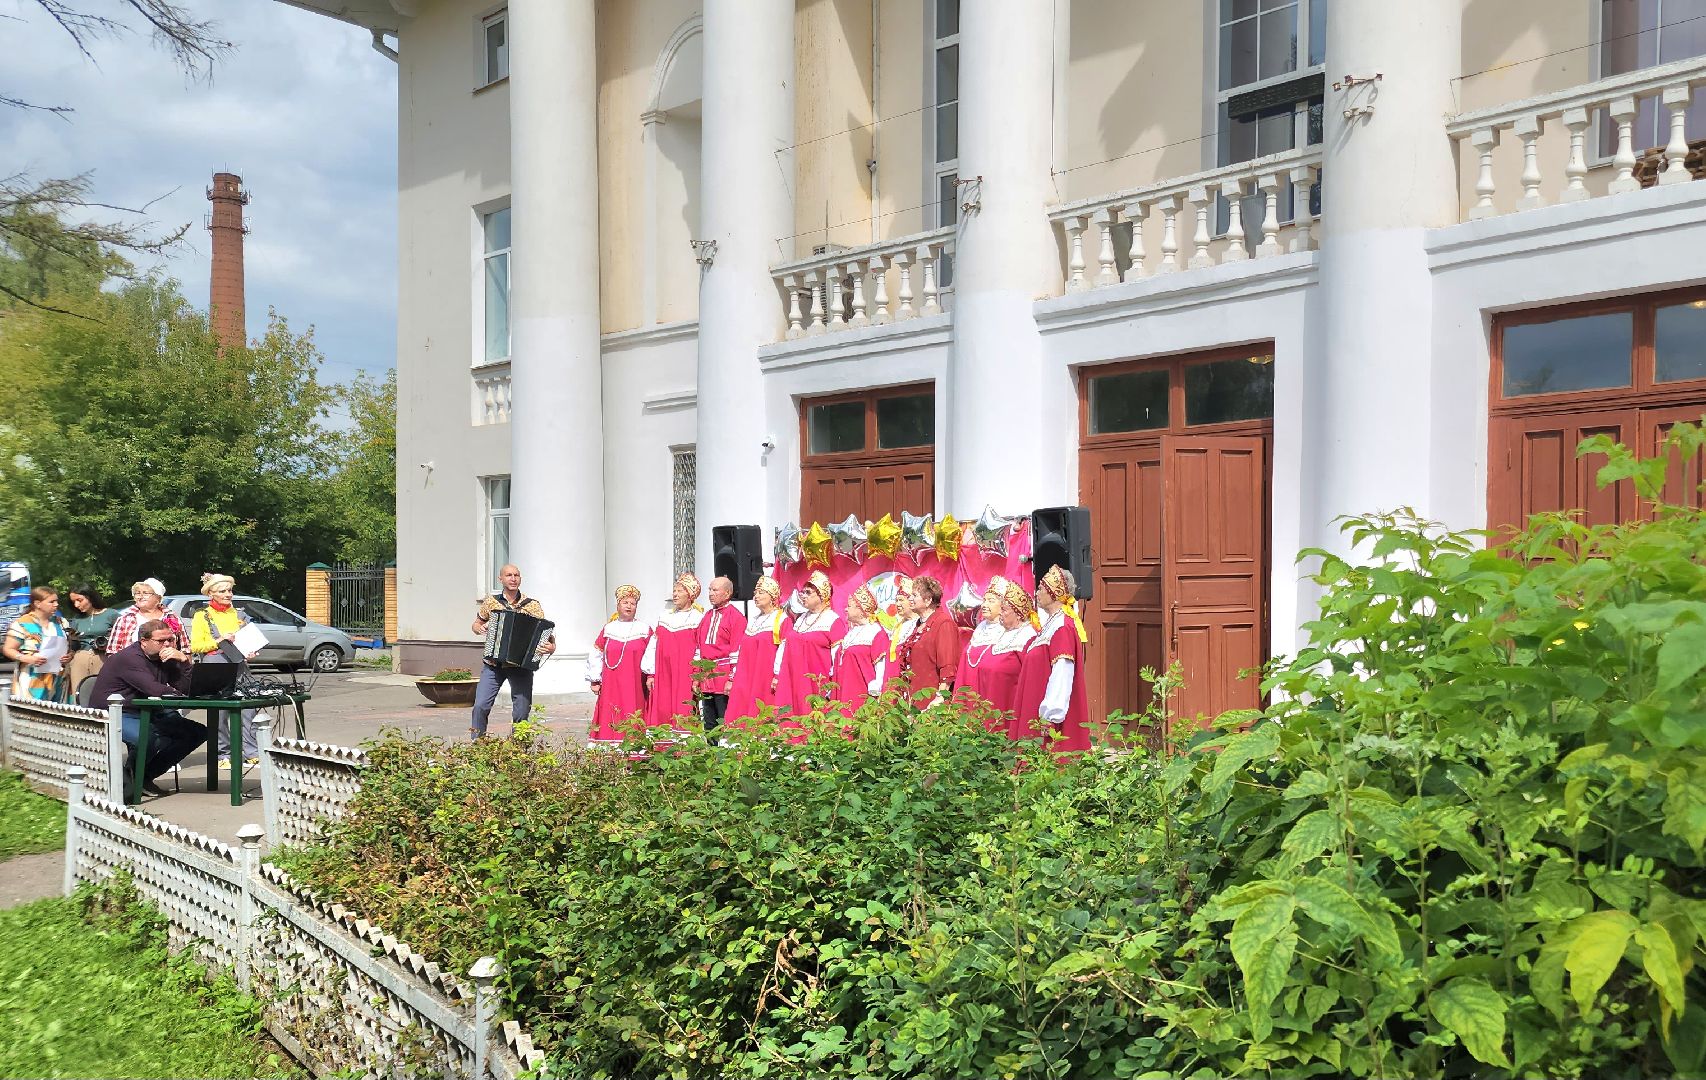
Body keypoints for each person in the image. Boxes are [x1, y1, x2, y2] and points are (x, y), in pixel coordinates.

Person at [90, 619, 207, 799]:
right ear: (144, 642)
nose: (167, 644)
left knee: (196, 732)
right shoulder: (129, 658)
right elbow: (154, 689)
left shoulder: (167, 658)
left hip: (147, 710)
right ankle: (127, 783)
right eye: (161, 641)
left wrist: (184, 661)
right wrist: (176, 693)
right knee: (147, 737)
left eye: (171, 639)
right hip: (115, 712)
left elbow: (187, 688)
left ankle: (143, 777)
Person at [1009, 566, 1091, 754]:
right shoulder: (1051, 624)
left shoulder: (1062, 627)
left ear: (1054, 592)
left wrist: (1051, 716)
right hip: (1034, 707)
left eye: (1041, 588)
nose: (1036, 593)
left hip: (1046, 719)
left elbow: (1062, 672)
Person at [469, 563, 557, 739]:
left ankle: (518, 746)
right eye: (509, 575)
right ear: (500, 579)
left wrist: (551, 647)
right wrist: (479, 628)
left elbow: (546, 635)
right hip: (493, 664)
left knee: (522, 710)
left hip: (521, 665)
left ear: (520, 579)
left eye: (516, 575)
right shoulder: (491, 602)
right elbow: (476, 624)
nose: (513, 578)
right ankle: (477, 745)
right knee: (480, 706)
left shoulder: (532, 606)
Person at [189, 573, 266, 764]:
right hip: (215, 663)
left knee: (250, 704)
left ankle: (251, 751)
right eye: (222, 591)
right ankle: (223, 754)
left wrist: (251, 650)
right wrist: (219, 640)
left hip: (239, 663)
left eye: (230, 590)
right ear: (211, 594)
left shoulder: (238, 614)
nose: (228, 594)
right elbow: (196, 646)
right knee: (220, 710)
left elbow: (249, 639)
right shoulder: (203, 615)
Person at [775, 570, 843, 727]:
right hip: (793, 678)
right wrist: (777, 673)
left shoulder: (833, 620)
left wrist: (830, 685)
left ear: (822, 595)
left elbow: (837, 655)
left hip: (816, 682)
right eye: (802, 592)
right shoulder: (800, 619)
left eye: (808, 592)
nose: (803, 596)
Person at [587, 584, 650, 745]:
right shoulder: (608, 629)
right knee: (611, 712)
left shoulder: (644, 629)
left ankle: (634, 752)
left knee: (633, 713)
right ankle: (610, 751)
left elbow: (652, 655)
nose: (629, 606)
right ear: (618, 605)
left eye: (632, 603)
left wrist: (651, 675)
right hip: (611, 684)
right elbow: (596, 653)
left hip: (636, 685)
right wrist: (595, 679)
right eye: (625, 602)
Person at [971, 582, 1038, 727]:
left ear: (1018, 613)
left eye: (1004, 609)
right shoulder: (1004, 634)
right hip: (988, 709)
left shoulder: (1027, 636)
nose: (1000, 613)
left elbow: (1032, 679)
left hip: (1009, 711)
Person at [643, 572, 703, 730]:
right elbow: (653, 646)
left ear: (690, 595)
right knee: (662, 707)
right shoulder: (664, 617)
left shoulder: (698, 619)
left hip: (685, 674)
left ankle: (684, 748)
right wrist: (651, 674)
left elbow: (700, 650)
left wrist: (697, 675)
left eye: (679, 591)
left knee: (684, 709)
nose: (675, 595)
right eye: (674, 591)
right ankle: (662, 748)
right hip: (663, 673)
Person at [725, 576, 787, 726]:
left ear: (772, 596)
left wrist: (777, 675)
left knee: (762, 711)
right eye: (755, 592)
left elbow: (784, 650)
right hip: (747, 675)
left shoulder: (781, 619)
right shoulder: (754, 620)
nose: (756, 596)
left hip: (765, 676)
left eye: (761, 592)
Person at [895, 575, 962, 707]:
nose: (910, 599)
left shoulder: (943, 623)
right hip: (912, 699)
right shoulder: (919, 624)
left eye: (914, 595)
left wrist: (940, 698)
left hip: (930, 702)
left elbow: (948, 665)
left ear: (928, 600)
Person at [694, 576, 746, 732]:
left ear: (727, 593)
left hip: (723, 676)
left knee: (724, 720)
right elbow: (699, 647)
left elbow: (737, 651)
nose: (710, 593)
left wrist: (731, 679)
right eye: (710, 589)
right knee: (709, 722)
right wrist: (696, 676)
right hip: (706, 677)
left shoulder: (736, 617)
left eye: (715, 590)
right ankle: (711, 754)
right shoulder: (707, 616)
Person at [4, 586, 70, 702]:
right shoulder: (22, 623)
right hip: (31, 677)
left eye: (57, 601)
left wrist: (69, 656)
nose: (56, 605)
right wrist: (27, 658)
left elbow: (68, 646)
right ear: (37, 604)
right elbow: (8, 649)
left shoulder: (61, 623)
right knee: (31, 714)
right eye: (51, 602)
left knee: (55, 715)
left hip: (57, 678)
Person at [832, 584, 889, 717]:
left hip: (860, 691)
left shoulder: (875, 632)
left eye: (849, 606)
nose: (845, 609)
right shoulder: (852, 632)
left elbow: (881, 664)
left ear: (861, 609)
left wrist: (877, 686)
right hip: (843, 688)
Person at [953, 576, 1010, 695]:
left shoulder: (1007, 631)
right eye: (984, 600)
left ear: (1002, 606)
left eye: (991, 601)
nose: (984, 605)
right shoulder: (980, 628)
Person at [107, 579, 185, 655]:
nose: (140, 597)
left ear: (158, 598)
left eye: (145, 593)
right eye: (137, 593)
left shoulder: (171, 617)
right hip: (132, 666)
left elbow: (185, 648)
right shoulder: (125, 619)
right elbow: (112, 651)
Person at [66, 584, 119, 694]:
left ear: (90, 597)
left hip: (103, 658)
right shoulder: (77, 619)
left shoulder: (111, 614)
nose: (76, 605)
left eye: (79, 600)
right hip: (80, 659)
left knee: (102, 693)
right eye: (73, 602)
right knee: (80, 694)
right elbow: (73, 644)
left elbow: (121, 636)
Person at [876, 575, 916, 692]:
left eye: (901, 600)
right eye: (896, 600)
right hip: (891, 679)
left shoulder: (918, 625)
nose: (897, 604)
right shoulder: (898, 626)